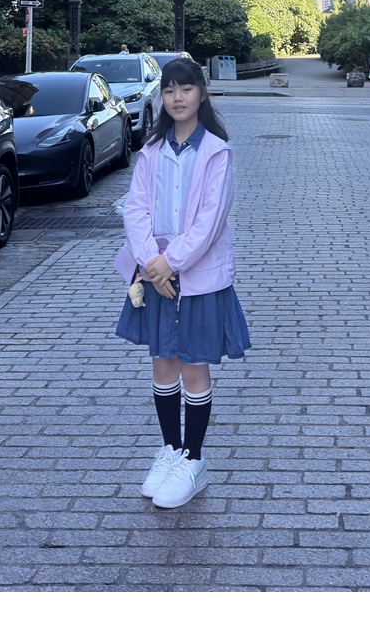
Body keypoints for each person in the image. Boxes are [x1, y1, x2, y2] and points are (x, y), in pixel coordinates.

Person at [114, 56, 250, 508]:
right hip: (157, 273)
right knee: (162, 363)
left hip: (196, 277)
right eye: (169, 90)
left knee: (193, 365)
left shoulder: (216, 152)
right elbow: (135, 208)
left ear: (201, 94)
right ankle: (171, 450)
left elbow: (210, 221)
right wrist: (151, 262)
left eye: (186, 89)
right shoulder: (151, 150)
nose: (177, 97)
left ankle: (193, 460)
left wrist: (168, 263)